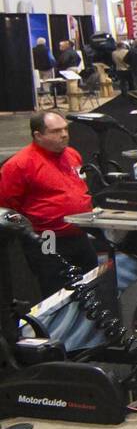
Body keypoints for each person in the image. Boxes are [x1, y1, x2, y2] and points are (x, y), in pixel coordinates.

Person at [0, 111, 97, 297]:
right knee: (57, 290)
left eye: (65, 129)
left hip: (80, 234)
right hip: (48, 238)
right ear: (38, 135)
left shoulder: (72, 155)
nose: (64, 134)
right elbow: (6, 206)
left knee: (93, 283)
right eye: (56, 131)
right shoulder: (19, 165)